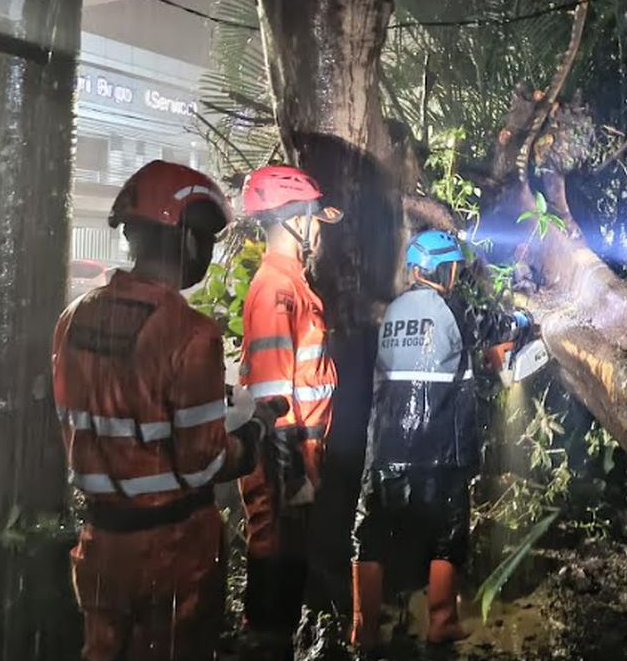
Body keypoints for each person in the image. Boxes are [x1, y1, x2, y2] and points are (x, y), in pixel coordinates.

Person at [52, 160, 287, 661]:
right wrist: (256, 431)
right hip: (172, 553)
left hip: (99, 544)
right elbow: (205, 461)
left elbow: (109, 407)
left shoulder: (75, 319)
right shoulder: (190, 333)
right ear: (185, 240)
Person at [349, 229, 533, 650]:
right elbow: (499, 325)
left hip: (385, 447)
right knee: (448, 533)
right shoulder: (454, 309)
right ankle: (442, 621)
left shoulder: (394, 311)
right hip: (439, 446)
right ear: (443, 270)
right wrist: (525, 321)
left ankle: (364, 628)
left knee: (370, 531)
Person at [237, 164, 342, 653]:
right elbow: (273, 392)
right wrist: (291, 473)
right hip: (283, 456)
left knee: (289, 565)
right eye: (315, 218)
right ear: (295, 219)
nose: (319, 227)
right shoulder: (276, 288)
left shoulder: (293, 284)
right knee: (275, 566)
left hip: (299, 454)